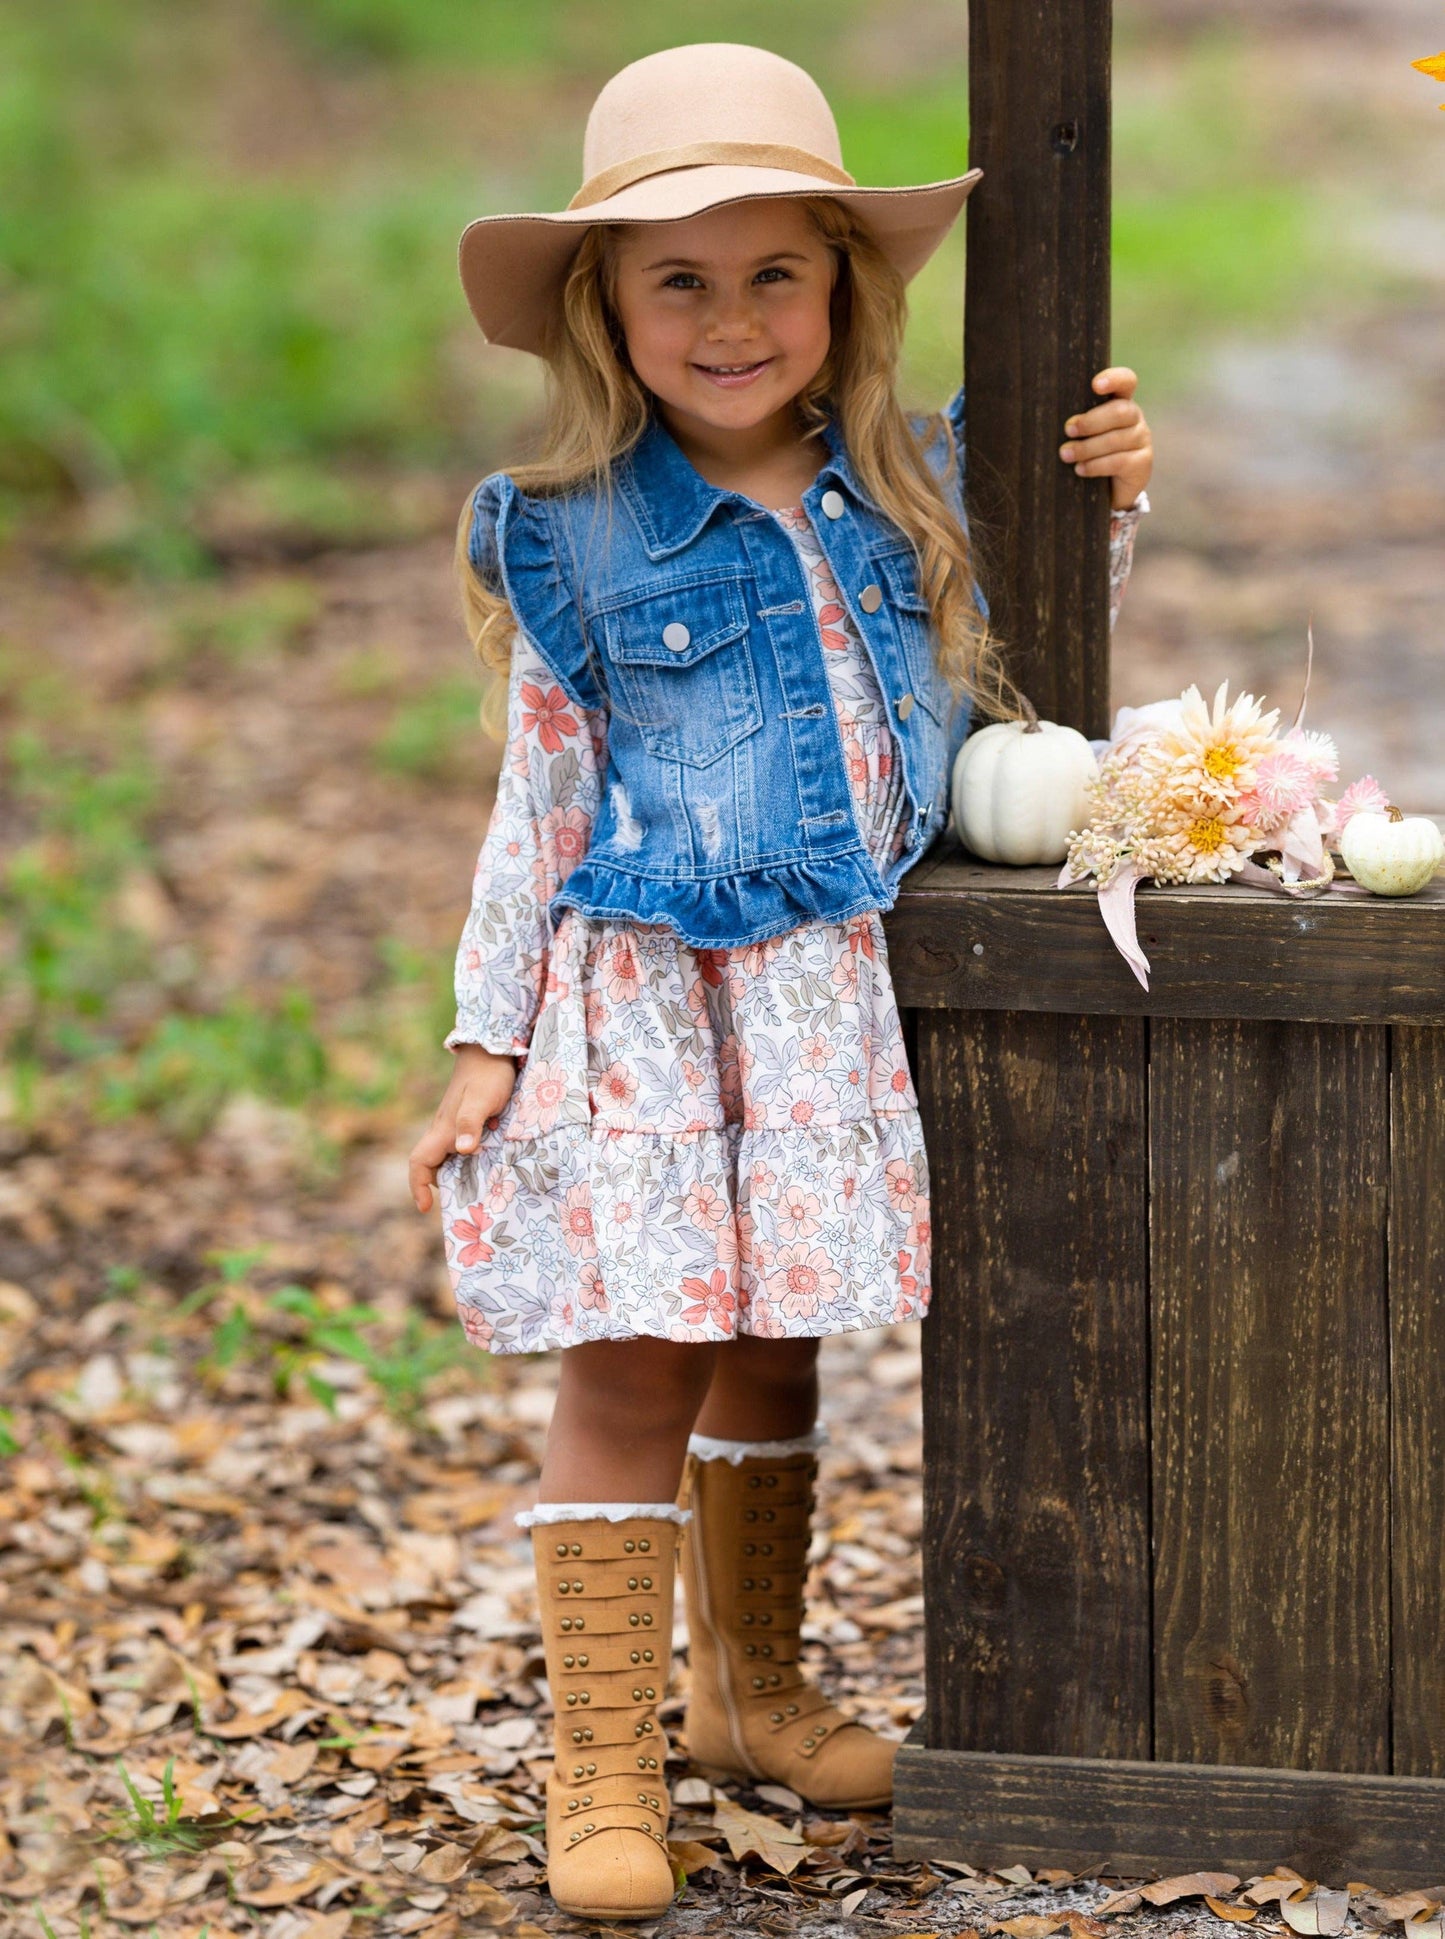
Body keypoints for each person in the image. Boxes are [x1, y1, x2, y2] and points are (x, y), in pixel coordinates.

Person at [409, 42, 1154, 1921]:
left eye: (773, 274)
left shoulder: (907, 494)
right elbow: (542, 792)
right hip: (645, 1003)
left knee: (770, 1330)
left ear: (842, 294)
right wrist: (485, 1033)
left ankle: (751, 1695)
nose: (731, 319)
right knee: (638, 1344)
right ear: (605, 306)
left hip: (818, 1000)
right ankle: (604, 1765)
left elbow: (1023, 659)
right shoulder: (571, 527)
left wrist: (1106, 491)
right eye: (679, 278)